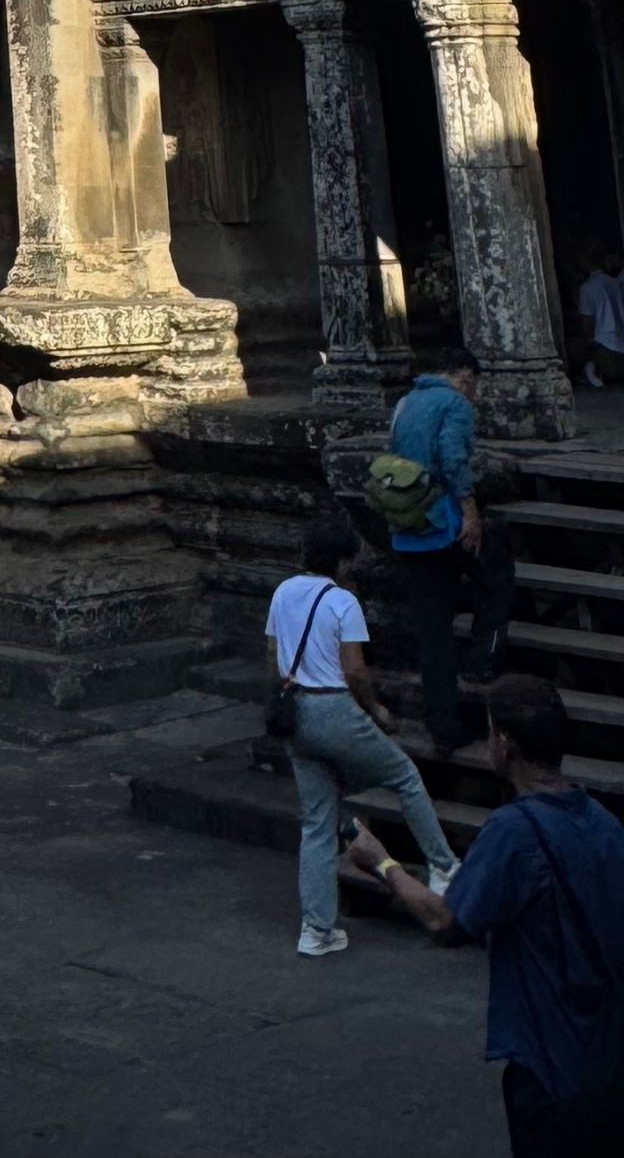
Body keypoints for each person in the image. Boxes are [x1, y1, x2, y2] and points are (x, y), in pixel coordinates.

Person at [347, 672, 624, 1153]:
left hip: (550, 1060)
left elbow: (446, 920)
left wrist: (382, 863)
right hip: (607, 1058)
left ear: (505, 742)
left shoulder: (513, 832)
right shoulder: (605, 823)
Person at [264, 508, 458, 956]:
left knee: (316, 823)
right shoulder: (342, 602)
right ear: (345, 562)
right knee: (405, 776)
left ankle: (316, 931)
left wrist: (281, 701)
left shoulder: (282, 592)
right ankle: (443, 865)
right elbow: (355, 670)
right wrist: (376, 709)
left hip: (295, 708)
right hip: (334, 705)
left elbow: (272, 656)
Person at [386, 347, 511, 747]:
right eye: (475, 387)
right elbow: (453, 459)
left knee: (432, 630)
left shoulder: (406, 402)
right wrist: (471, 513)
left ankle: (443, 723)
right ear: (465, 379)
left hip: (407, 523)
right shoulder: (455, 403)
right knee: (498, 576)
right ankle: (483, 660)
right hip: (443, 522)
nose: (474, 396)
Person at [569, 242, 624, 388]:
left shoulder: (587, 287)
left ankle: (596, 372)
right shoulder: (616, 283)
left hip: (606, 353)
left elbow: (587, 323)